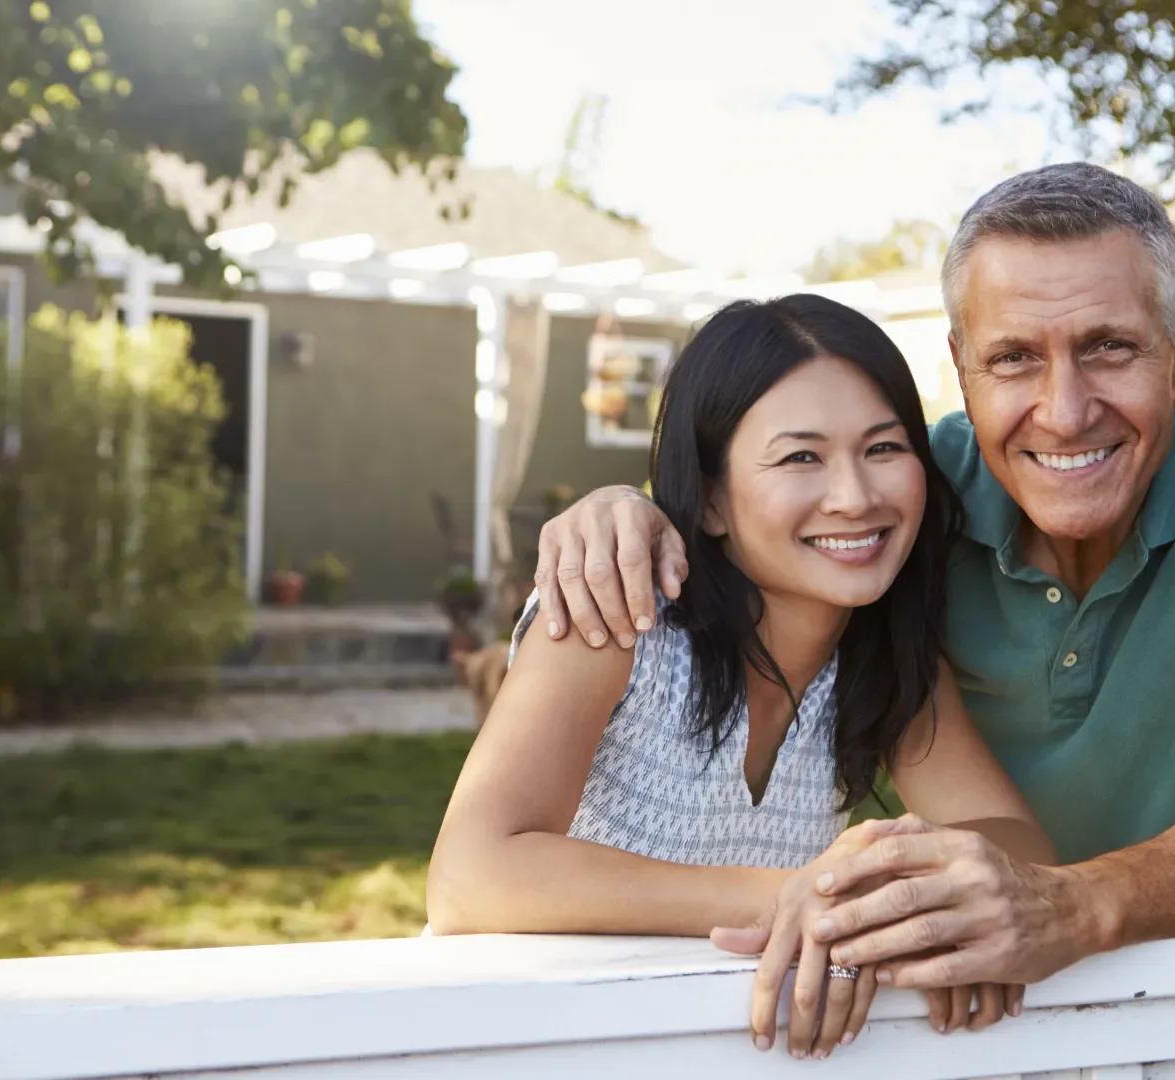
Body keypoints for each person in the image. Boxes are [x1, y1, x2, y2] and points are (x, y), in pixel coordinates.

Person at [529, 163, 1175, 1017]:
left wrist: (1064, 904)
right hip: (963, 1012)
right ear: (962, 368)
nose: (1065, 411)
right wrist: (629, 511)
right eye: (1014, 357)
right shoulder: (911, 498)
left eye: (1109, 347)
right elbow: (766, 506)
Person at [426, 294, 1057, 1060]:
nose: (855, 496)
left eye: (884, 448)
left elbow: (1023, 852)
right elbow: (470, 876)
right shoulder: (620, 615)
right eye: (800, 457)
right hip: (516, 1043)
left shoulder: (886, 662)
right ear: (714, 498)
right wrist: (813, 898)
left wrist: (878, 883)